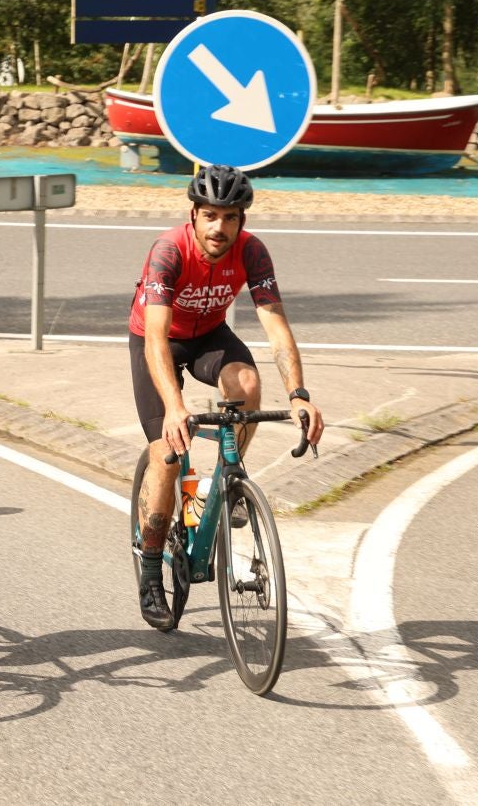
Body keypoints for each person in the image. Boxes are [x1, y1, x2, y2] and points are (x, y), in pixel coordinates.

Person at [129, 163, 324, 630]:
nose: (220, 227)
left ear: (242, 221)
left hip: (209, 335)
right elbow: (156, 336)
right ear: (194, 215)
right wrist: (175, 406)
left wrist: (299, 394)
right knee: (169, 454)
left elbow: (276, 325)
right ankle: (152, 572)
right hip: (156, 341)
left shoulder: (252, 252)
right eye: (211, 216)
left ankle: (227, 480)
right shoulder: (168, 251)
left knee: (249, 386)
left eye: (231, 217)